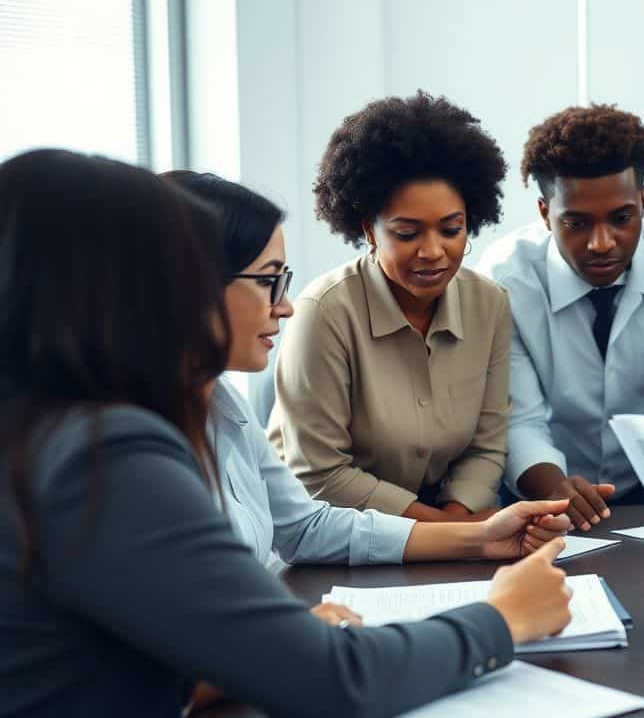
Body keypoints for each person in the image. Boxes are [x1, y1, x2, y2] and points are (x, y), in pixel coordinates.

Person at [0, 149, 572, 717]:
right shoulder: (100, 454)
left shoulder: (67, 426)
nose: (285, 306)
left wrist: (475, 536)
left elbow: (93, 658)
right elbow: (334, 681)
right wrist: (501, 618)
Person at [167, 171, 570, 569]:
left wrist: (478, 538)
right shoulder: (137, 447)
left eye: (450, 228)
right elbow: (317, 488)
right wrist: (461, 536)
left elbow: (305, 528)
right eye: (269, 281)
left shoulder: (224, 403)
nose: (285, 306)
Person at [269, 92, 512, 522]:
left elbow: (486, 446)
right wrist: (448, 533)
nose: (434, 251)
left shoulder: (489, 304)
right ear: (369, 229)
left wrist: (457, 521)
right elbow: (320, 473)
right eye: (407, 233)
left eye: (451, 229)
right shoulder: (323, 313)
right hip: (328, 533)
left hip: (448, 533)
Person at [477, 104, 644, 530]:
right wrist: (552, 488)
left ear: (643, 200)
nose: (602, 243)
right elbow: (518, 417)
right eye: (577, 223)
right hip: (543, 489)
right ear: (543, 213)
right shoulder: (503, 279)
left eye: (622, 218)